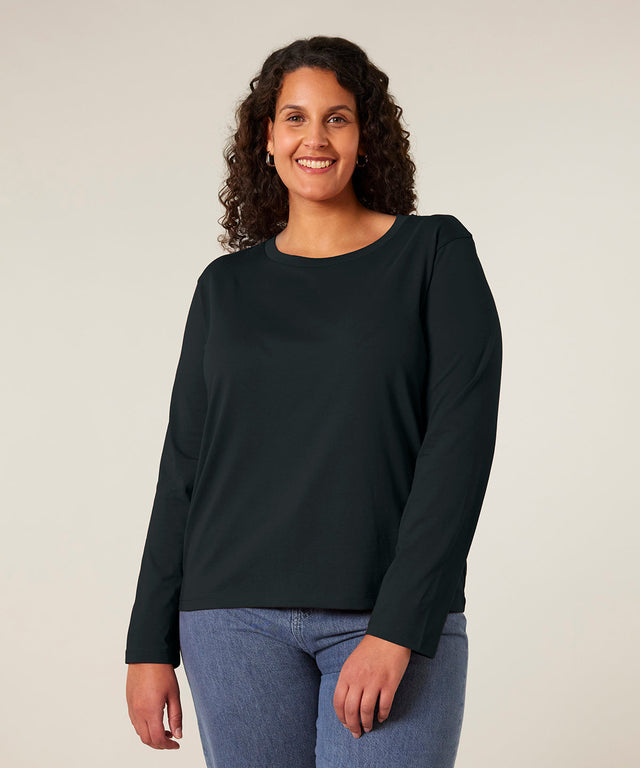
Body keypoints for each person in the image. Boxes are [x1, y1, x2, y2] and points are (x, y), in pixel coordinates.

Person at [125, 35, 502, 768]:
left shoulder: (433, 255)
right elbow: (184, 465)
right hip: (230, 621)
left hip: (383, 616)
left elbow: (458, 450)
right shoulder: (224, 288)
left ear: (366, 136)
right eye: (295, 118)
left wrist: (398, 628)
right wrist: (148, 643)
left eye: (337, 118)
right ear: (267, 138)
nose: (315, 138)